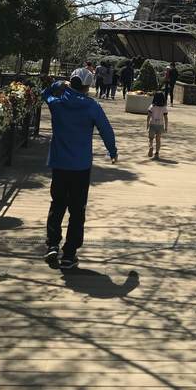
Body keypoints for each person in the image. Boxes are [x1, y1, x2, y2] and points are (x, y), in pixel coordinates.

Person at [42, 71, 118, 270]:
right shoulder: (91, 106)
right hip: (80, 165)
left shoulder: (57, 103)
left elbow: (44, 94)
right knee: (77, 210)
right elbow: (105, 129)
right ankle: (69, 253)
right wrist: (112, 150)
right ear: (87, 87)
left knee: (57, 204)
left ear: (71, 84)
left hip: (59, 163)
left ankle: (52, 244)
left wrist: (59, 84)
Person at [146, 90, 168, 160]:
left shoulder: (152, 106)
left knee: (150, 139)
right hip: (160, 125)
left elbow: (149, 116)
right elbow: (166, 118)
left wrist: (147, 124)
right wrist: (166, 127)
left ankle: (151, 147)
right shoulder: (164, 108)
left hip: (152, 124)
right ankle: (157, 153)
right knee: (158, 140)